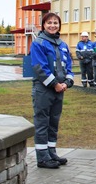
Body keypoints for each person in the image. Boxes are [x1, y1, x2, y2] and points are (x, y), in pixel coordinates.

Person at [30, 12, 74, 169]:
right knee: (42, 122)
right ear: (43, 25)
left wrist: (68, 82)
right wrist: (55, 84)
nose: (53, 25)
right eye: (49, 23)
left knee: (53, 122)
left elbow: (68, 64)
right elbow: (39, 67)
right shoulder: (39, 43)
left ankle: (51, 152)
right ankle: (42, 158)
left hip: (59, 89)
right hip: (44, 89)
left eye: (56, 22)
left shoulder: (62, 44)